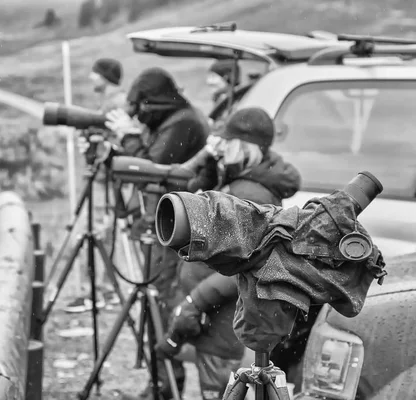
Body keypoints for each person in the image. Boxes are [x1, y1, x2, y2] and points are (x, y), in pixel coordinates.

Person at [153, 107, 302, 400]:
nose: (219, 147)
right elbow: (198, 204)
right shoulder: (240, 180)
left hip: (220, 322)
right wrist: (210, 169)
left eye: (225, 141)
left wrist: (195, 302)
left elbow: (246, 266)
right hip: (216, 317)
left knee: (219, 389)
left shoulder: (250, 192)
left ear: (241, 145)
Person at [105, 67, 210, 399]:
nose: (138, 118)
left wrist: (127, 136)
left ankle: (166, 385)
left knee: (161, 304)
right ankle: (161, 381)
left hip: (174, 231)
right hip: (165, 225)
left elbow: (150, 167)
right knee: (157, 303)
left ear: (152, 102)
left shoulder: (183, 123)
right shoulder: (174, 119)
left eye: (140, 110)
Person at [65, 58, 128, 313]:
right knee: (105, 232)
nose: (91, 77)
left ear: (105, 76)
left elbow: (118, 143)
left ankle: (96, 292)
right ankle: (105, 290)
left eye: (95, 73)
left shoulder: (116, 104)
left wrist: (97, 143)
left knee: (94, 232)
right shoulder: (112, 102)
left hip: (106, 180)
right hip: (105, 179)